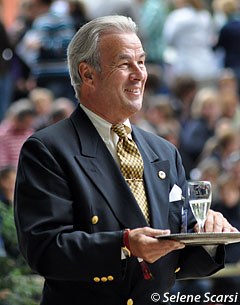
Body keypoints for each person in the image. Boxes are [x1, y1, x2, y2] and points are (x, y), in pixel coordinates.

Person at [14, 15, 237, 305]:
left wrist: (209, 237)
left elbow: (175, 261)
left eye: (142, 62)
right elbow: (43, 250)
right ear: (88, 74)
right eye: (124, 64)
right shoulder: (46, 149)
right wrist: (123, 245)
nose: (139, 74)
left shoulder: (164, 152)